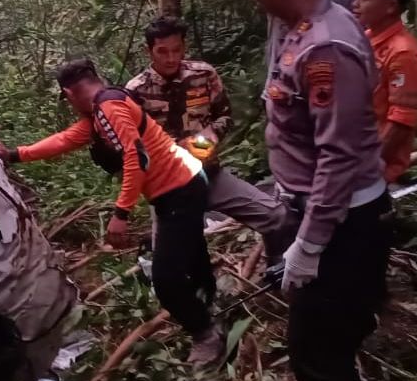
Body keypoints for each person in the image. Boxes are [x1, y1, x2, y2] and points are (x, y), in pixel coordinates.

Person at [214, 0, 393, 381]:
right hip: (319, 212)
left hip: (344, 225)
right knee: (312, 345)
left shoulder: (326, 49)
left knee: (322, 353)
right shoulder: (309, 19)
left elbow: (337, 157)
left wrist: (310, 245)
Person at [0, 59, 225, 365]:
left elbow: (135, 158)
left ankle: (205, 335)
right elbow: (66, 139)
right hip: (183, 184)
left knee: (166, 279)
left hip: (179, 189)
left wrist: (121, 213)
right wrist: (14, 154)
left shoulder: (109, 108)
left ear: (69, 93)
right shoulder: (102, 109)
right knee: (192, 254)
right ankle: (213, 305)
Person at [126, 18, 293, 262]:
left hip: (210, 174)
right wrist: (175, 148)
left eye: (177, 49)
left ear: (184, 47)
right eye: (162, 51)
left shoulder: (203, 74)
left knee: (277, 217)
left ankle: (278, 267)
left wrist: (210, 135)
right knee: (170, 258)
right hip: (169, 188)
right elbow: (135, 143)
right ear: (148, 50)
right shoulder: (135, 91)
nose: (171, 58)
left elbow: (224, 115)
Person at [345, 0, 417, 183]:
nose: (356, 3)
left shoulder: (403, 53)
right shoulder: (366, 37)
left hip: (370, 171)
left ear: (391, 6)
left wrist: (366, 165)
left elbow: (402, 120)